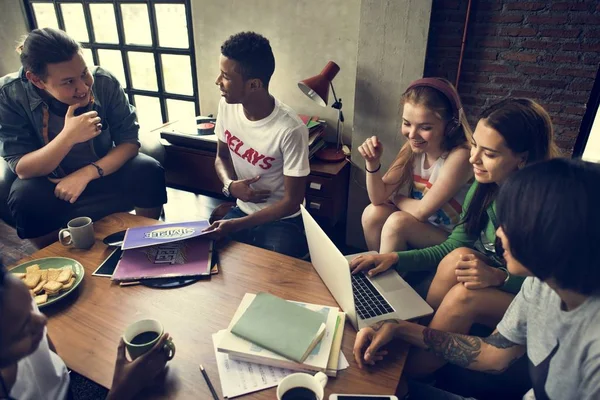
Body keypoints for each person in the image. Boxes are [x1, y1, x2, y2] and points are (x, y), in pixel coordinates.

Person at [353, 158, 600, 400]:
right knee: (384, 387)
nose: (500, 232)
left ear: (557, 235)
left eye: (514, 221)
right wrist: (399, 328)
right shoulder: (541, 284)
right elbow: (494, 354)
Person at [351, 98, 560, 376]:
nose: (473, 159)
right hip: (502, 278)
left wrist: (501, 278)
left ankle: (405, 375)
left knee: (464, 295)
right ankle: (410, 333)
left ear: (522, 157)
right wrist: (393, 258)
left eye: (489, 154)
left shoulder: (545, 206)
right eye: (475, 146)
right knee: (457, 258)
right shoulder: (485, 189)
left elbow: (550, 286)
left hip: (536, 298)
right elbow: (452, 246)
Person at [0, 28, 167, 242]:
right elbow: (22, 168)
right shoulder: (9, 94)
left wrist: (86, 173)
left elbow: (129, 141)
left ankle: (147, 241)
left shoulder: (104, 81)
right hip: (47, 181)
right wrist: (68, 136)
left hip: (103, 168)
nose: (83, 87)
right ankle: (59, 261)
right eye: (68, 82)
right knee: (25, 198)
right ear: (37, 80)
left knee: (147, 170)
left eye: (83, 73)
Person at [205, 31, 309, 258]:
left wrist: (237, 225)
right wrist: (230, 184)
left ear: (254, 84)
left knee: (275, 271)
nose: (217, 82)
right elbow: (221, 157)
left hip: (282, 221)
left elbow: (292, 202)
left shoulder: (290, 129)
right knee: (208, 258)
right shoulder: (227, 106)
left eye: (226, 77)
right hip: (241, 210)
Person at [0, 266, 172, 399]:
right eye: (25, 327)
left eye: (31, 306)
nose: (43, 321)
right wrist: (121, 393)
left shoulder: (10, 301)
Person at [359, 78, 473, 254]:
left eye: (425, 127)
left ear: (450, 126)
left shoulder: (461, 155)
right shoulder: (414, 148)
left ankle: (382, 273)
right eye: (406, 123)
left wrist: (396, 198)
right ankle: (377, 274)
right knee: (372, 213)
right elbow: (378, 197)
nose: (412, 134)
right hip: (420, 226)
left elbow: (421, 212)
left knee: (398, 222)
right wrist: (372, 162)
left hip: (449, 238)